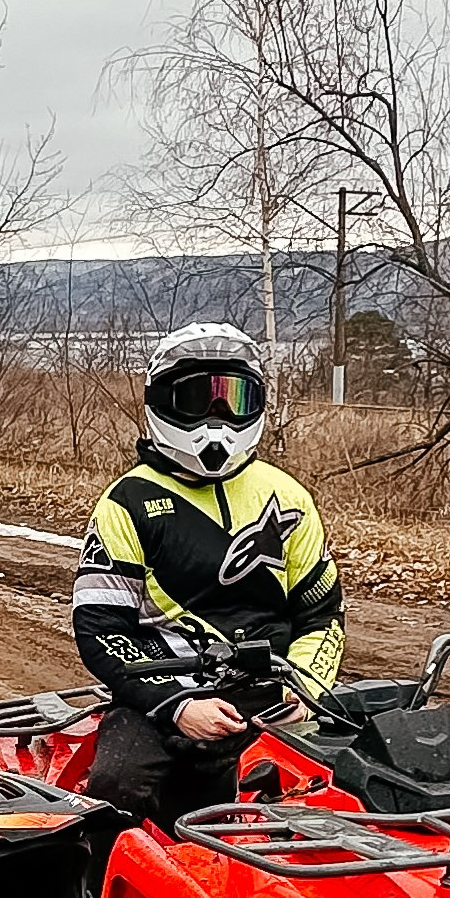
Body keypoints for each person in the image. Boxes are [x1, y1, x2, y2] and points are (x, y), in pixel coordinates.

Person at [71, 318, 346, 824]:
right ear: (161, 403)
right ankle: (102, 896)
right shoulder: (127, 502)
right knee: (115, 788)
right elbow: (100, 631)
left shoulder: (289, 498)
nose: (216, 419)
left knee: (357, 788)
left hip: (276, 697)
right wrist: (176, 705)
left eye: (234, 400)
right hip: (164, 696)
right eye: (197, 399)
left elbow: (323, 616)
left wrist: (303, 689)